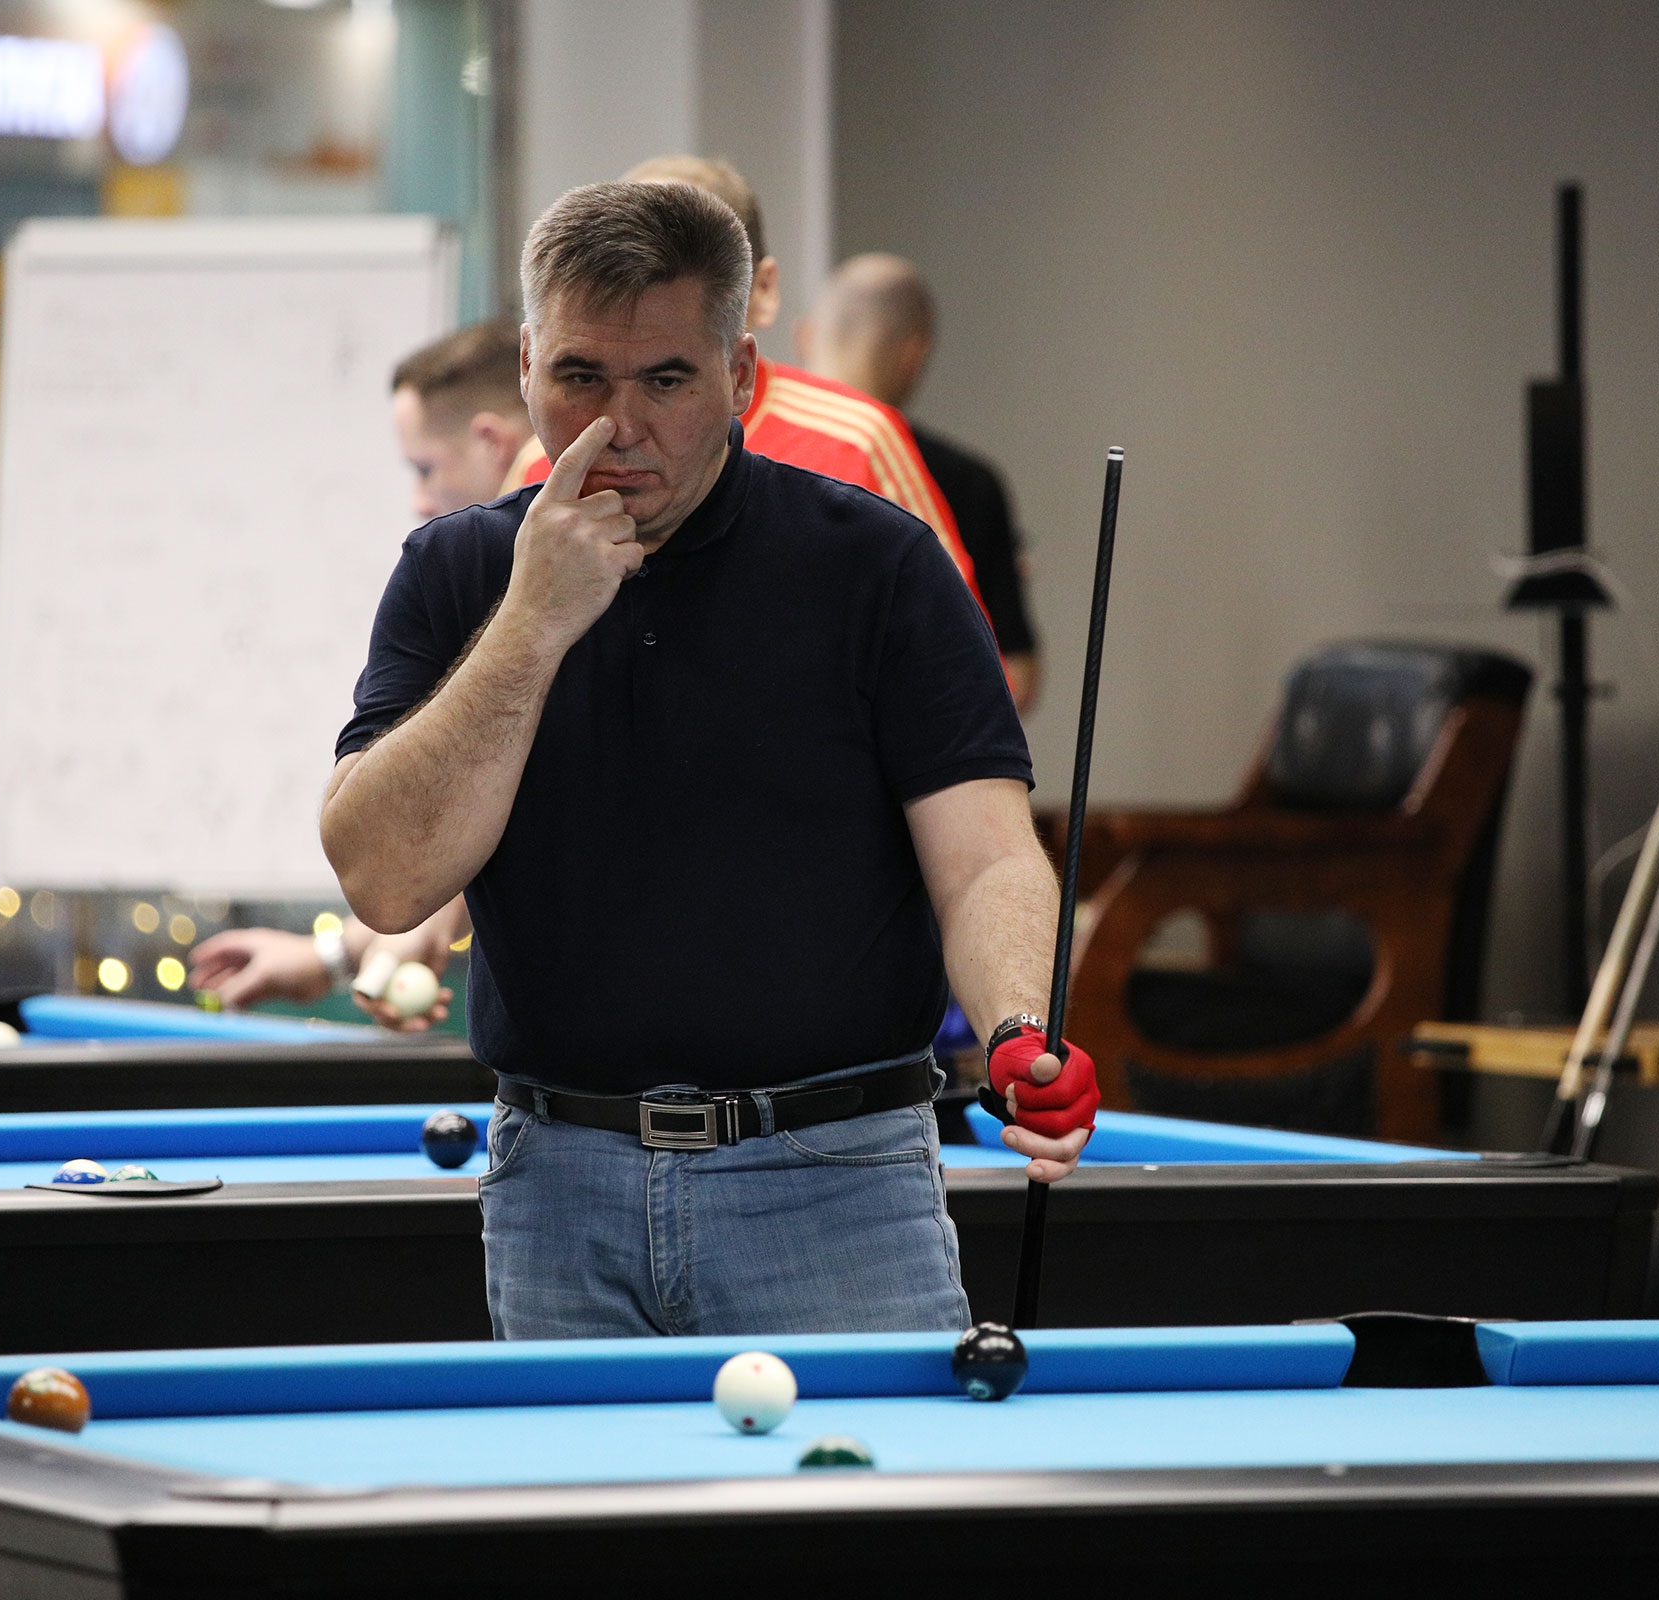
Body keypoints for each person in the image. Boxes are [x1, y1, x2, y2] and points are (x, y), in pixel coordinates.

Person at [322, 179, 1097, 1338]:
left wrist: (1018, 1028)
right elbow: (385, 880)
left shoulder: (879, 567)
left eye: (666, 380)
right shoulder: (456, 573)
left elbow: (985, 856)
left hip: (836, 1180)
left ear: (739, 376)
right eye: (580, 375)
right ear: (527, 366)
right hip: (558, 1182)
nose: (619, 424)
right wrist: (532, 621)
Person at [189, 323, 532, 1024]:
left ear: (492, 442)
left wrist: (348, 949)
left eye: (424, 468)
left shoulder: (547, 562)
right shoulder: (490, 568)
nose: (418, 500)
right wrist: (335, 955)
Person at [505, 157, 984, 610]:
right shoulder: (543, 463)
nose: (624, 428)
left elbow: (942, 629)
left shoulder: (858, 439)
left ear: (762, 288)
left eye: (666, 380)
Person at [799, 252, 1042, 711]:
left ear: (803, 336)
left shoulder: (739, 455)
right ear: (915, 355)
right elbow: (1011, 679)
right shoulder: (965, 483)